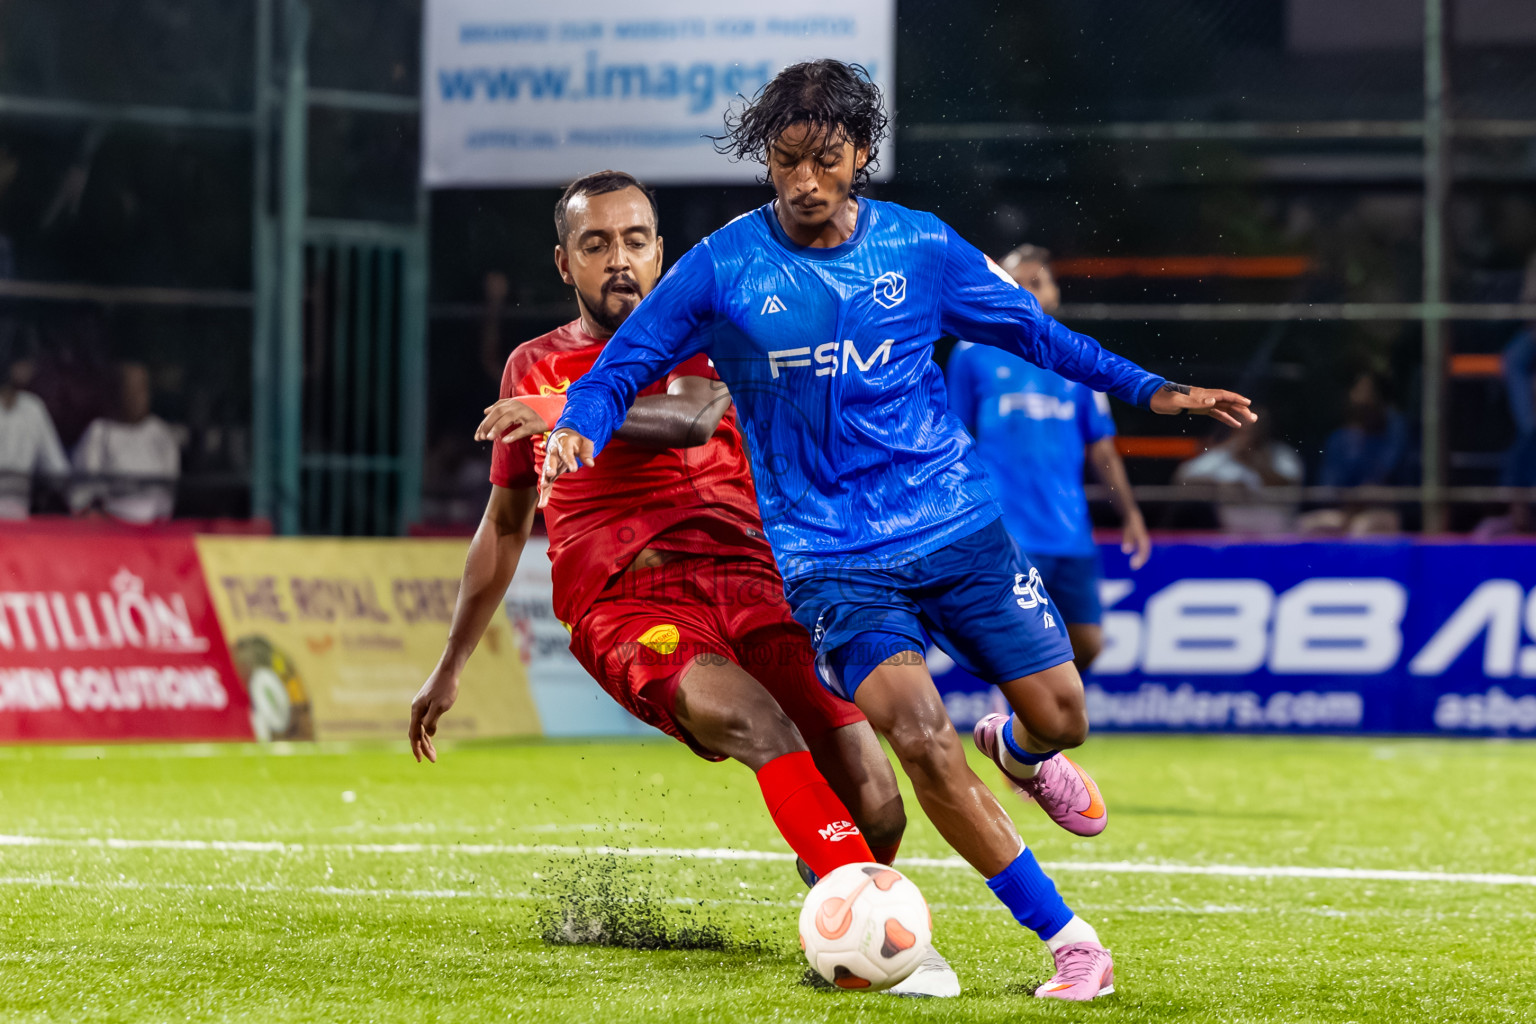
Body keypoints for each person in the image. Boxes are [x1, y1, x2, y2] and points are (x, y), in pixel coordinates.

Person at [540, 61, 1255, 1001]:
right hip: (833, 562)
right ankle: (1070, 941)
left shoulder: (919, 247)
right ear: (767, 160)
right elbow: (623, 363)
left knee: (1064, 714)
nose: (805, 182)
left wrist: (1154, 390)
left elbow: (1034, 334)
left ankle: (1024, 751)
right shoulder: (723, 265)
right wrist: (580, 421)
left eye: (826, 160)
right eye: (787, 161)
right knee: (919, 739)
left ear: (861, 155)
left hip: (955, 525)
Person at [407, 170, 957, 997]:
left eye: (635, 240)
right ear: (565, 264)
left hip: (754, 586)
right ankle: (879, 929)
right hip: (629, 605)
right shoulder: (533, 366)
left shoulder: (710, 334)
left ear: (662, 251)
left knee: (879, 804)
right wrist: (449, 664)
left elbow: (692, 419)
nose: (619, 259)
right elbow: (505, 525)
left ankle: (837, 905)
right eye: (596, 245)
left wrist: (570, 412)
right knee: (761, 724)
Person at [946, 243, 1151, 672]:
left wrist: (1129, 513)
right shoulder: (972, 353)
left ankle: (1026, 730)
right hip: (1008, 528)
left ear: (1055, 292)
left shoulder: (1078, 362)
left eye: (1038, 283)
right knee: (1024, 646)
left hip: (1069, 528)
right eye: (1017, 283)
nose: (1028, 292)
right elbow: (954, 439)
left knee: (1088, 645)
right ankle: (1027, 728)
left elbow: (1101, 448)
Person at [70, 361, 180, 523]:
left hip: (154, 530)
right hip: (110, 528)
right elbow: (80, 497)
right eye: (130, 389)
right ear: (117, 392)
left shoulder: (161, 434)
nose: (137, 397)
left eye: (141, 390)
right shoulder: (99, 432)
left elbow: (169, 493)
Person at [1173, 409, 1305, 533]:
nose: (1252, 433)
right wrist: (1220, 485)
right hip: (1232, 532)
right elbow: (1184, 475)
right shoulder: (1223, 453)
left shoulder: (1281, 454)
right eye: (1247, 426)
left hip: (1276, 532)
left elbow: (1290, 481)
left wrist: (1256, 464)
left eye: (1257, 428)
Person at [0, 347, 70, 519]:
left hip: (19, 521)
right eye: (24, 362)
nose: (30, 368)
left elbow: (57, 469)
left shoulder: (33, 408)